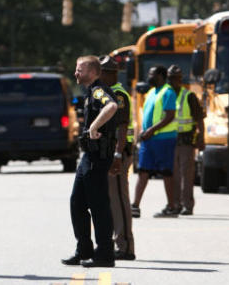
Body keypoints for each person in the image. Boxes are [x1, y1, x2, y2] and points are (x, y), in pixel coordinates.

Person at [62, 55, 119, 268]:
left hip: (97, 157)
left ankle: (105, 253)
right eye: (76, 69)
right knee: (77, 203)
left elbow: (111, 107)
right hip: (89, 157)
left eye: (80, 70)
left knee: (99, 206)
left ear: (93, 72)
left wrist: (94, 127)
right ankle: (84, 248)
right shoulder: (89, 92)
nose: (76, 73)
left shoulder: (98, 90)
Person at [99, 55, 135, 261]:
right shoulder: (107, 93)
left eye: (102, 72)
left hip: (119, 152)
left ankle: (126, 247)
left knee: (120, 200)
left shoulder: (118, 95)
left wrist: (117, 154)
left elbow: (122, 128)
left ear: (110, 73)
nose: (99, 75)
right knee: (112, 200)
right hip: (111, 152)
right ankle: (119, 243)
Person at [131, 65, 178, 218]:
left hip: (163, 139)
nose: (149, 76)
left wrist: (152, 130)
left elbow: (169, 116)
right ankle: (135, 206)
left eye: (152, 74)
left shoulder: (168, 92)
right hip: (148, 140)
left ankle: (171, 206)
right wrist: (143, 133)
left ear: (161, 76)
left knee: (166, 172)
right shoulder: (151, 92)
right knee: (143, 171)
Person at [168, 64, 205, 215]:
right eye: (170, 79)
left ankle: (187, 206)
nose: (172, 81)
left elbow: (199, 119)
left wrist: (201, 139)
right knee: (173, 175)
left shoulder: (188, 96)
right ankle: (175, 204)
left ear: (180, 79)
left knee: (186, 175)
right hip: (170, 141)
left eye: (175, 78)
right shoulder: (167, 95)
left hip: (186, 142)